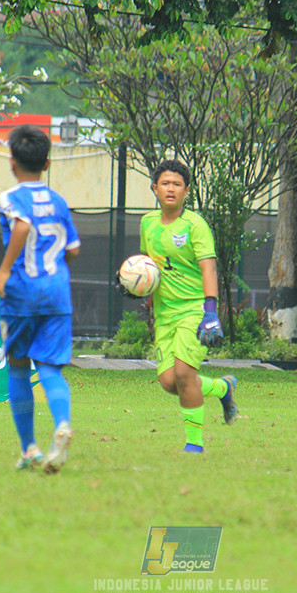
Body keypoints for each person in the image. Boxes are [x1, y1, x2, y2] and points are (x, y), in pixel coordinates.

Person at [118, 159, 238, 453]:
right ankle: (222, 388)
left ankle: (194, 446)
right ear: (155, 188)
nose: (171, 189)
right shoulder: (147, 223)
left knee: (185, 374)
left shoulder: (194, 225)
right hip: (165, 314)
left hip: (195, 310)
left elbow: (209, 269)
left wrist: (211, 311)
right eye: (165, 184)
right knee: (170, 382)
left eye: (177, 184)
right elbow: (148, 265)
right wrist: (133, 282)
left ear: (187, 191)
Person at [0, 125, 80, 473]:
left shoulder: (11, 198)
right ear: (47, 163)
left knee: (18, 365)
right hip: (58, 294)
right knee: (50, 367)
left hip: (22, 295)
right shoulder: (58, 201)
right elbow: (72, 248)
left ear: (12, 163)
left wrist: (3, 270)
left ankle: (29, 448)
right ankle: (62, 423)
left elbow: (23, 227)